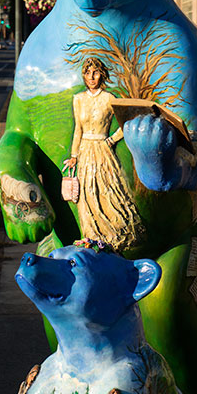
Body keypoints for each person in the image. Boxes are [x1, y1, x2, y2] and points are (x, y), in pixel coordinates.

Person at [64, 58, 145, 251]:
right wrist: (74, 154)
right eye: (88, 73)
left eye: (96, 72)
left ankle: (110, 238)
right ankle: (90, 238)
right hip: (84, 151)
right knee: (86, 194)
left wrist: (111, 140)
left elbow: (126, 123)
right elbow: (78, 130)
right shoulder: (78, 99)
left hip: (103, 151)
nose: (91, 77)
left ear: (102, 74)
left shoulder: (109, 98)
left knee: (106, 192)